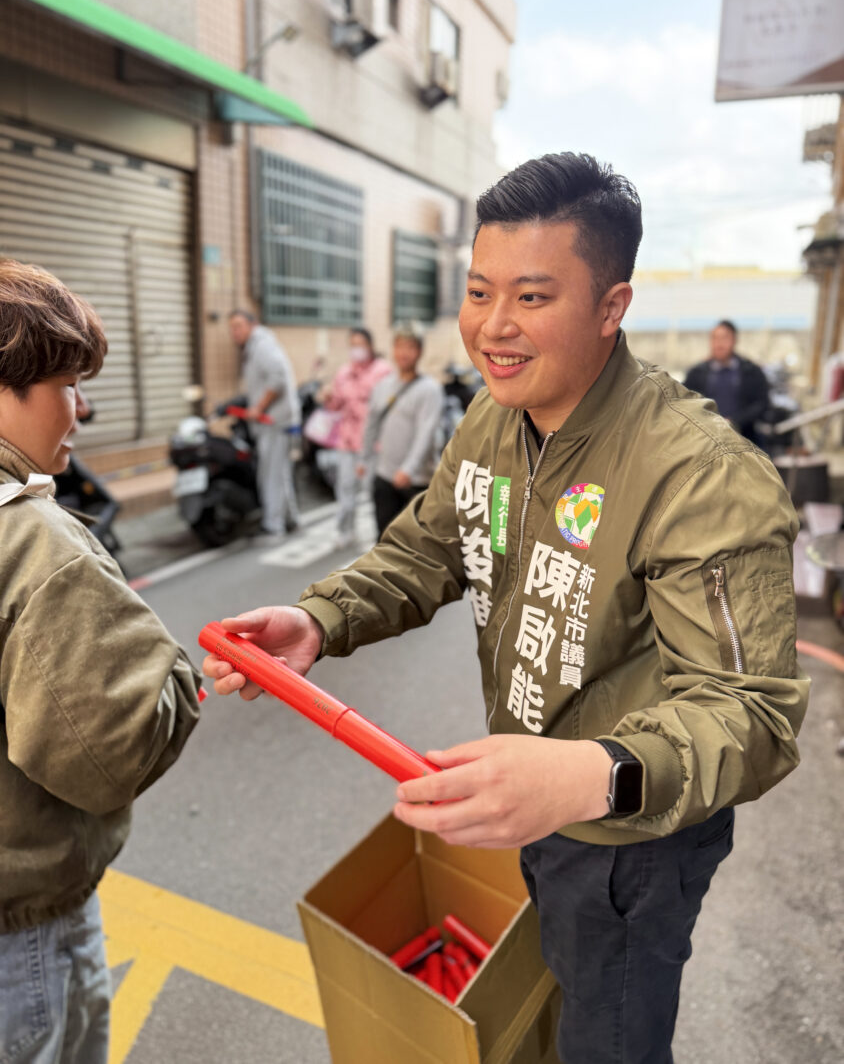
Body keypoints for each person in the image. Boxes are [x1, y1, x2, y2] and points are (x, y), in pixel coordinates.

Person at [203, 154, 809, 1064]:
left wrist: (588, 777)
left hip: (633, 838)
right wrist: (320, 619)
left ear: (613, 306)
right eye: (479, 291)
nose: (493, 327)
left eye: (532, 297)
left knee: (610, 1039)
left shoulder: (699, 474)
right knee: (557, 999)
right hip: (538, 808)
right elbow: (426, 549)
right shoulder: (493, 419)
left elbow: (752, 713)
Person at [0, 259, 202, 1064]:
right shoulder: (33, 543)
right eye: (67, 383)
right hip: (24, 929)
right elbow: (107, 749)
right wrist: (180, 681)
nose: (79, 409)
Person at [361, 322, 445, 538]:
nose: (403, 353)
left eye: (410, 347)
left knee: (415, 543)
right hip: (384, 474)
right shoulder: (383, 385)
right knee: (384, 538)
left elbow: (425, 433)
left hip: (417, 480)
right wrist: (364, 458)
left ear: (419, 351)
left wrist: (408, 468)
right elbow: (371, 423)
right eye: (399, 346)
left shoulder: (430, 389)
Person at [229, 309, 301, 537]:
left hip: (274, 420)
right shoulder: (255, 347)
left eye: (238, 326)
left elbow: (277, 379)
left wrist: (258, 407)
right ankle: (291, 519)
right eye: (231, 328)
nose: (235, 332)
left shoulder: (262, 346)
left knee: (271, 474)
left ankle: (273, 525)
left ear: (252, 324)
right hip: (275, 420)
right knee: (279, 472)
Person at [322, 327, 391, 548]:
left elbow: (381, 403)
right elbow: (336, 404)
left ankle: (377, 534)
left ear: (370, 346)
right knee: (345, 488)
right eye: (353, 345)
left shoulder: (383, 371)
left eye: (360, 344)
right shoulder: (343, 372)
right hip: (347, 441)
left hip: (373, 442)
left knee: (373, 490)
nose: (356, 350)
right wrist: (328, 398)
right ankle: (345, 531)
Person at [684, 320, 770, 444]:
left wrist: (734, 421)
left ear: (734, 340)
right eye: (715, 338)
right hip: (706, 441)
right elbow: (685, 402)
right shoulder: (697, 373)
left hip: (744, 439)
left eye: (725, 338)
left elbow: (762, 403)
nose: (719, 343)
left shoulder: (751, 371)